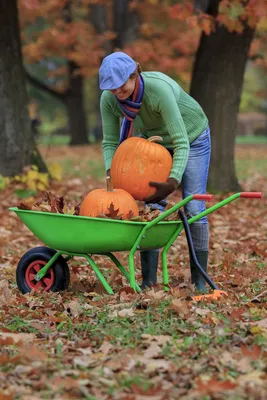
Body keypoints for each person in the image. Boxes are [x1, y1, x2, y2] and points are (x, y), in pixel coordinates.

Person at [99, 51, 211, 292]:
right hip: (155, 143)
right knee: (151, 208)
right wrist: (112, 174)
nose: (117, 92)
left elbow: (181, 141)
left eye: (121, 86)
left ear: (135, 74)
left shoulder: (158, 90)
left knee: (193, 207)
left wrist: (172, 182)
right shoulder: (109, 100)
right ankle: (149, 280)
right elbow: (109, 142)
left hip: (192, 137)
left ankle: (199, 281)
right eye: (111, 88)